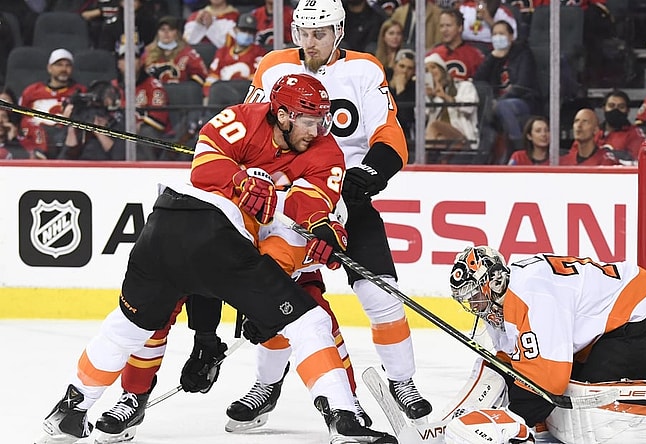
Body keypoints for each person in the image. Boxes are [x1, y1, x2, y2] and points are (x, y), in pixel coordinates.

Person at [36, 73, 396, 444]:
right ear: (284, 115)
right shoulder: (242, 118)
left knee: (127, 327)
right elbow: (204, 167)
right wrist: (241, 183)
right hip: (214, 236)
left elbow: (311, 208)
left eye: (322, 120)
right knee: (310, 321)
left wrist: (322, 229)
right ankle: (344, 418)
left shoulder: (324, 152)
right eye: (309, 121)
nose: (319, 129)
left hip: (164, 228)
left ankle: (70, 410)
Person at [235, 0, 433, 429]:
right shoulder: (272, 67)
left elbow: (390, 134)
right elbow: (250, 128)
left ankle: (402, 381)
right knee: (276, 296)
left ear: (339, 31)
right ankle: (266, 385)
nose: (309, 43)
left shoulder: (363, 69)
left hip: (347, 202)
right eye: (303, 33)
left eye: (319, 33)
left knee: (381, 295)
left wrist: (369, 174)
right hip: (291, 206)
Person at [442, 245, 646, 444]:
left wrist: (519, 418)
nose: (472, 304)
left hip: (643, 319)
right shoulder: (503, 298)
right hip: (610, 328)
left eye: (474, 295)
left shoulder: (532, 295)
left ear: (493, 281)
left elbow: (549, 378)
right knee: (565, 400)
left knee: (586, 402)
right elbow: (512, 359)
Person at [474, 19, 539, 160]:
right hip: (494, 102)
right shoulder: (492, 56)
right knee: (484, 111)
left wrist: (498, 102)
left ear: (511, 36)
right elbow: (478, 80)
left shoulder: (523, 54)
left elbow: (523, 85)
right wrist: (492, 58)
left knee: (503, 107)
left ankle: (519, 149)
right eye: (495, 34)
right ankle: (485, 155)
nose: (498, 37)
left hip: (523, 101)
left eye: (502, 34)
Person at [18, 48, 86, 158]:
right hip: (33, 142)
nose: (64, 69)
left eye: (68, 65)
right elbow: (21, 118)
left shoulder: (80, 92)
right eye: (59, 65)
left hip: (65, 142)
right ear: (49, 68)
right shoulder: (32, 91)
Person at [112, 35, 171, 161]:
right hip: (117, 135)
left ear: (140, 61)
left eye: (134, 57)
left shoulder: (153, 86)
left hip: (145, 135)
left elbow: (159, 121)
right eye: (124, 58)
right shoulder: (112, 87)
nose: (129, 61)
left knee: (145, 134)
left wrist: (133, 126)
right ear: (118, 63)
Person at [203, 12, 268, 97]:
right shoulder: (222, 52)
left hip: (245, 99)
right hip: (221, 99)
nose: (247, 34)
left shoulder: (259, 53)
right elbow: (211, 79)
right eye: (243, 30)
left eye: (250, 32)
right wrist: (209, 96)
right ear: (235, 29)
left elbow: (256, 83)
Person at [424, 52, 479, 150]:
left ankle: (422, 161)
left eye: (433, 67)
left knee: (434, 125)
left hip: (462, 135)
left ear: (442, 70)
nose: (431, 72)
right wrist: (428, 98)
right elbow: (421, 118)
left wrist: (445, 97)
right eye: (427, 70)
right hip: (439, 137)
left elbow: (469, 108)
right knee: (439, 139)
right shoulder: (429, 94)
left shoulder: (465, 86)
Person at [143, 16, 208, 86]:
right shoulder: (147, 52)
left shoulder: (188, 53)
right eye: (162, 29)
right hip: (153, 93)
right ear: (158, 33)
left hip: (179, 93)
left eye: (170, 29)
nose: (166, 33)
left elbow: (201, 76)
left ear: (177, 33)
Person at [427, 8, 485, 80]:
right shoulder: (433, 55)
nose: (444, 30)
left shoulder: (474, 55)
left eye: (448, 25)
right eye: (441, 26)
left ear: (460, 27)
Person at [595, 90, 645, 163]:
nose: (615, 110)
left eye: (621, 107)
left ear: (628, 111)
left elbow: (636, 161)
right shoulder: (593, 132)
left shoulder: (635, 134)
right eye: (611, 106)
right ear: (604, 108)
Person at [387, 49, 417, 141]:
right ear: (395, 66)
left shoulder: (415, 88)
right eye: (402, 66)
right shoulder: (381, 82)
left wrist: (400, 90)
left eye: (409, 68)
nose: (405, 71)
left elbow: (405, 119)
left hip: (403, 136)